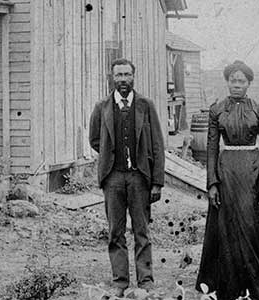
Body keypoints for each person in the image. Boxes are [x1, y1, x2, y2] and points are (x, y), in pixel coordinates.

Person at [196, 60, 259, 300]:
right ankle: (229, 288)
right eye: (232, 80)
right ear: (227, 82)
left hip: (253, 171)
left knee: (254, 228)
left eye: (241, 81)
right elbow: (211, 149)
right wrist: (212, 183)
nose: (236, 85)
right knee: (226, 229)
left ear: (249, 83)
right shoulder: (217, 110)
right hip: (227, 171)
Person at [89, 58, 165, 297]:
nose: (122, 79)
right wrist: (110, 160)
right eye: (118, 75)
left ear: (134, 76)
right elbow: (95, 140)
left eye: (127, 75)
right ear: (111, 78)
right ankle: (120, 280)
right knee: (115, 231)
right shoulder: (102, 107)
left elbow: (157, 145)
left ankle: (146, 280)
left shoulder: (146, 105)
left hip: (139, 179)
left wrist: (157, 182)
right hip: (113, 179)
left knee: (142, 231)